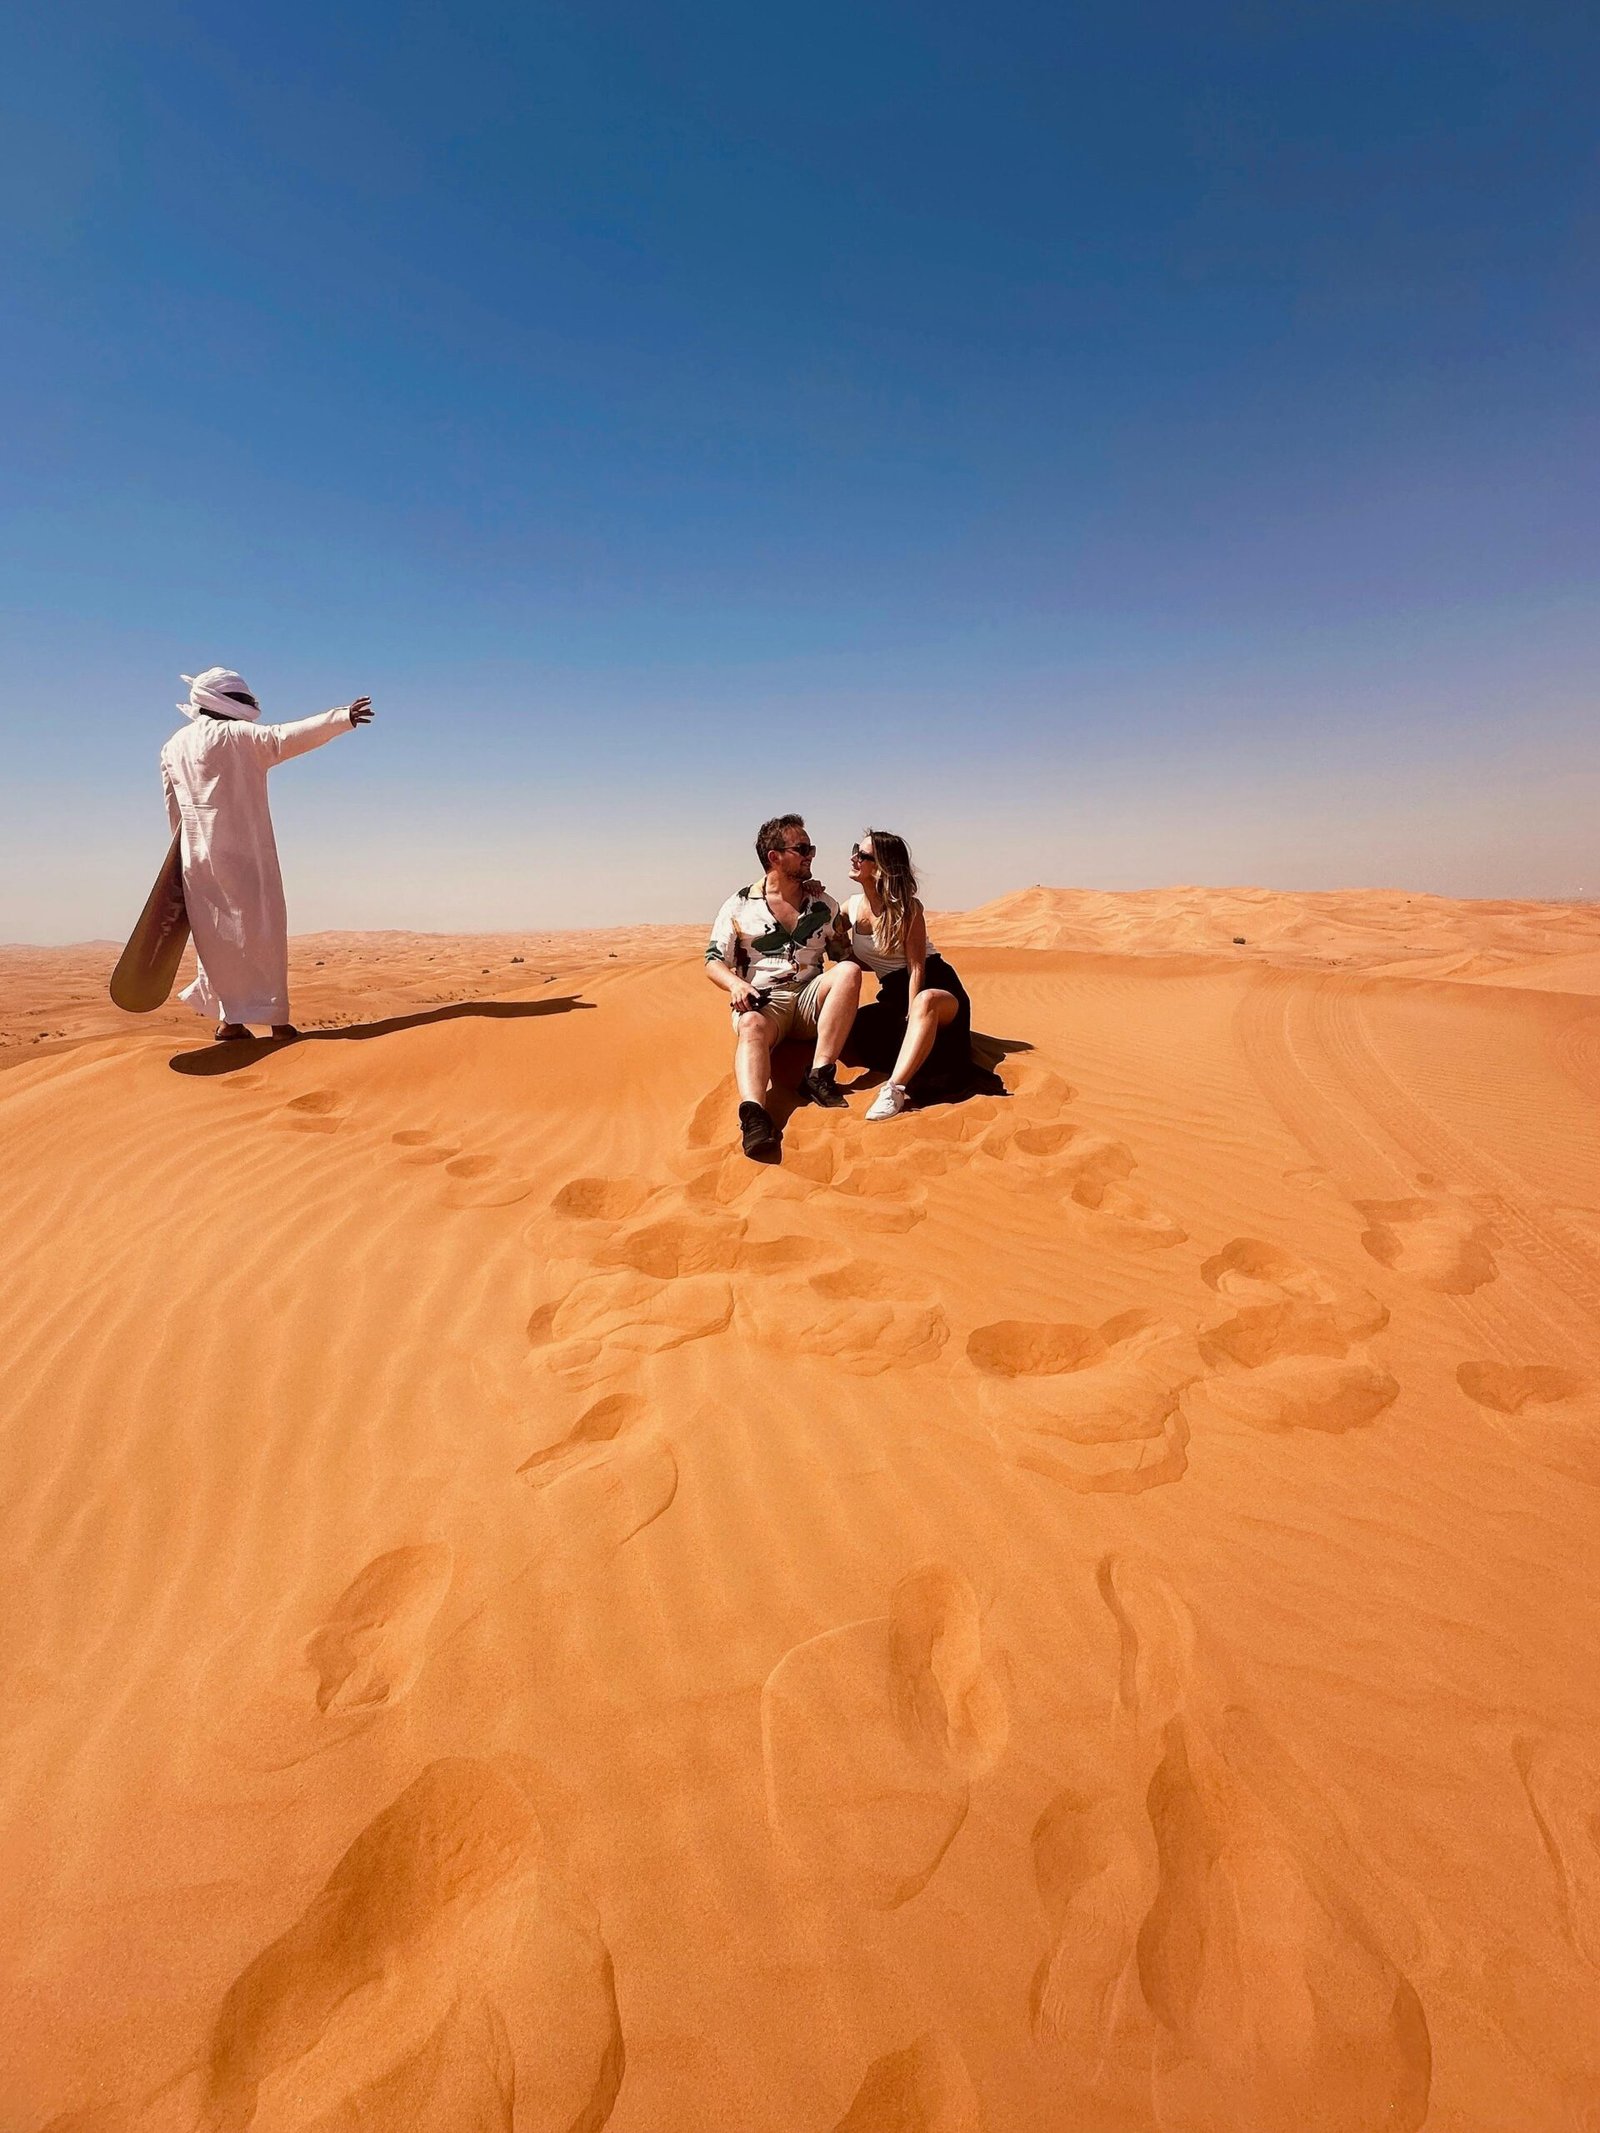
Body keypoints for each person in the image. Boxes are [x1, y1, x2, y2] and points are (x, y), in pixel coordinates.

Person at [160, 668, 375, 1040]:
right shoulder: (238, 736)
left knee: (215, 938)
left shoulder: (173, 745)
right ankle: (277, 1023)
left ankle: (230, 1022)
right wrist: (341, 718)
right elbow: (285, 737)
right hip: (245, 854)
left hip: (196, 857)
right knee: (262, 933)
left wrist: (178, 855)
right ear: (223, 701)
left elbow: (171, 803)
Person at [705, 814, 863, 1158]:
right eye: (802, 848)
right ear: (774, 856)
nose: (810, 855)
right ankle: (754, 1115)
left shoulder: (824, 904)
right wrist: (735, 985)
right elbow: (713, 960)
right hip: (766, 1003)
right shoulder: (739, 905)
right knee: (749, 1025)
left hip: (809, 999)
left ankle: (819, 1073)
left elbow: (845, 954)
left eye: (811, 848)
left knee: (849, 972)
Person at [842, 828, 982, 1119]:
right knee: (857, 1031)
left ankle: (894, 1090)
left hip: (933, 986)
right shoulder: (851, 908)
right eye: (856, 850)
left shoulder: (907, 909)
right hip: (892, 992)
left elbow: (917, 966)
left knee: (924, 1003)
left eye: (863, 855)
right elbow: (828, 936)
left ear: (881, 869)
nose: (854, 858)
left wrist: (910, 1009)